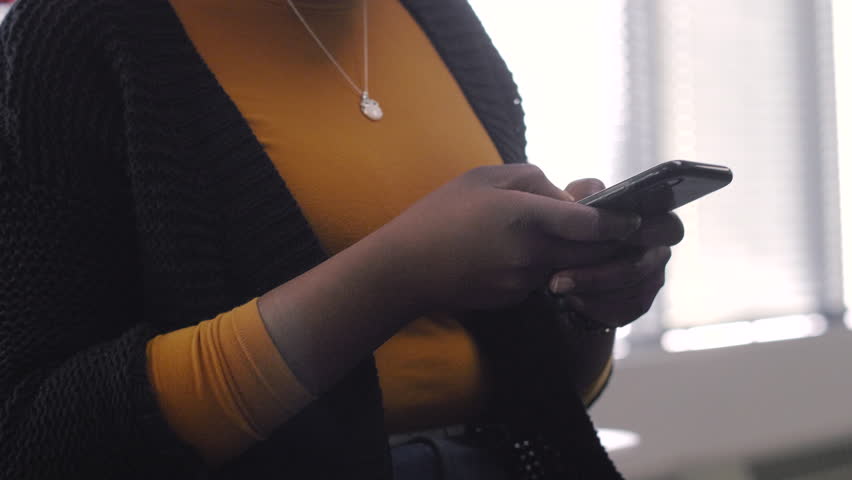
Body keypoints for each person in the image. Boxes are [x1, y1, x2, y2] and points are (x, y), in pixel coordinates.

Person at [0, 0, 683, 478]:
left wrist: (590, 307)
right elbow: (37, 439)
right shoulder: (72, 36)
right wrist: (396, 274)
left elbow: (534, 387)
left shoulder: (440, 19)